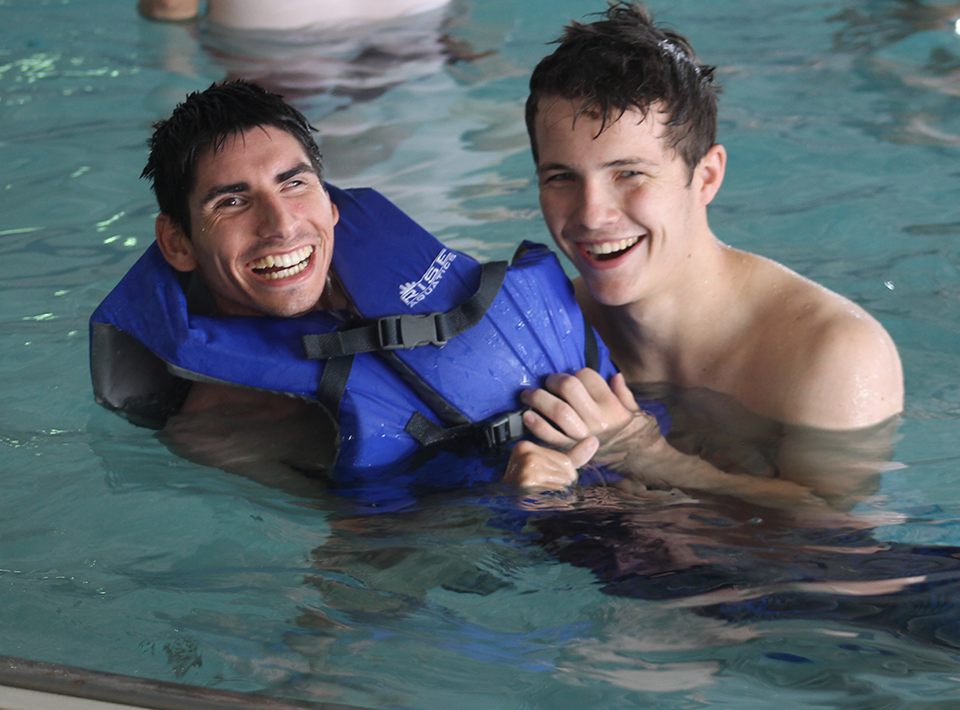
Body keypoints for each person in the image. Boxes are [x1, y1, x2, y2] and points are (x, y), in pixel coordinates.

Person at [90, 79, 630, 489]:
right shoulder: (220, 432)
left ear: (330, 203)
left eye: (294, 183)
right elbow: (361, 580)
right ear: (177, 242)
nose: (280, 225)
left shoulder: (412, 284)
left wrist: (634, 437)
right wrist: (520, 498)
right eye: (232, 201)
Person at [506, 3, 904, 510]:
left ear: (707, 177)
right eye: (562, 177)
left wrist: (644, 453)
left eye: (629, 173)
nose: (593, 214)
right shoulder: (548, 331)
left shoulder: (834, 354)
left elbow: (831, 544)